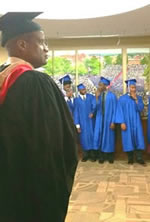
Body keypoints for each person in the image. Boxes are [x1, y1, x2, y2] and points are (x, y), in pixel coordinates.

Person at [0, 12, 78, 222]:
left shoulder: (2, 76)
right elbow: (53, 147)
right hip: (30, 196)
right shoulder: (36, 83)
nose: (47, 48)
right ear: (22, 44)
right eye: (41, 42)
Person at [115, 79, 145, 165]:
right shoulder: (122, 99)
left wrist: (136, 100)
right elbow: (119, 111)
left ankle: (139, 158)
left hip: (136, 122)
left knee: (138, 138)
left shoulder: (138, 98)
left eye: (134, 87)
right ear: (128, 88)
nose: (134, 89)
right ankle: (130, 158)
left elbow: (140, 109)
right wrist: (122, 122)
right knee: (128, 139)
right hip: (126, 122)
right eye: (132, 87)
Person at [92, 77, 117, 163]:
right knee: (100, 137)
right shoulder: (98, 95)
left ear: (105, 86)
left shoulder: (112, 96)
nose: (99, 86)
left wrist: (113, 121)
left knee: (109, 138)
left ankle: (110, 156)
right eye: (99, 84)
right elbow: (95, 108)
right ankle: (101, 156)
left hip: (109, 120)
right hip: (100, 119)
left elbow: (115, 110)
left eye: (100, 85)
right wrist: (96, 98)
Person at [74, 83, 95, 162]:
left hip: (90, 122)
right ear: (79, 91)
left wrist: (93, 112)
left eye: (84, 89)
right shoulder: (77, 100)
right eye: (82, 90)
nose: (84, 91)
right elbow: (76, 113)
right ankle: (85, 155)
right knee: (84, 139)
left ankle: (93, 155)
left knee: (92, 137)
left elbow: (94, 106)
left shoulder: (91, 97)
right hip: (82, 123)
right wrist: (77, 126)